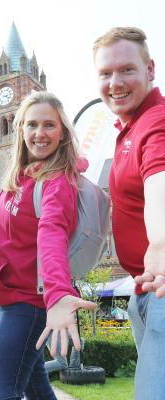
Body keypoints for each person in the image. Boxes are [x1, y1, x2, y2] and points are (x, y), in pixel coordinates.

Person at [0, 91, 96, 400]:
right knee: (37, 389)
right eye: (32, 125)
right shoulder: (21, 176)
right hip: (8, 302)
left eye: (49, 125)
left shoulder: (57, 182)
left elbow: (52, 234)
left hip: (28, 304)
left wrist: (58, 294)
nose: (39, 133)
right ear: (20, 129)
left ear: (62, 133)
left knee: (1, 393)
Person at [93, 27, 165, 400]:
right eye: (105, 74)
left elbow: (160, 181)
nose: (115, 82)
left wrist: (160, 244)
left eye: (127, 70)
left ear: (150, 69)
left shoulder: (156, 121)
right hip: (143, 288)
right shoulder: (128, 129)